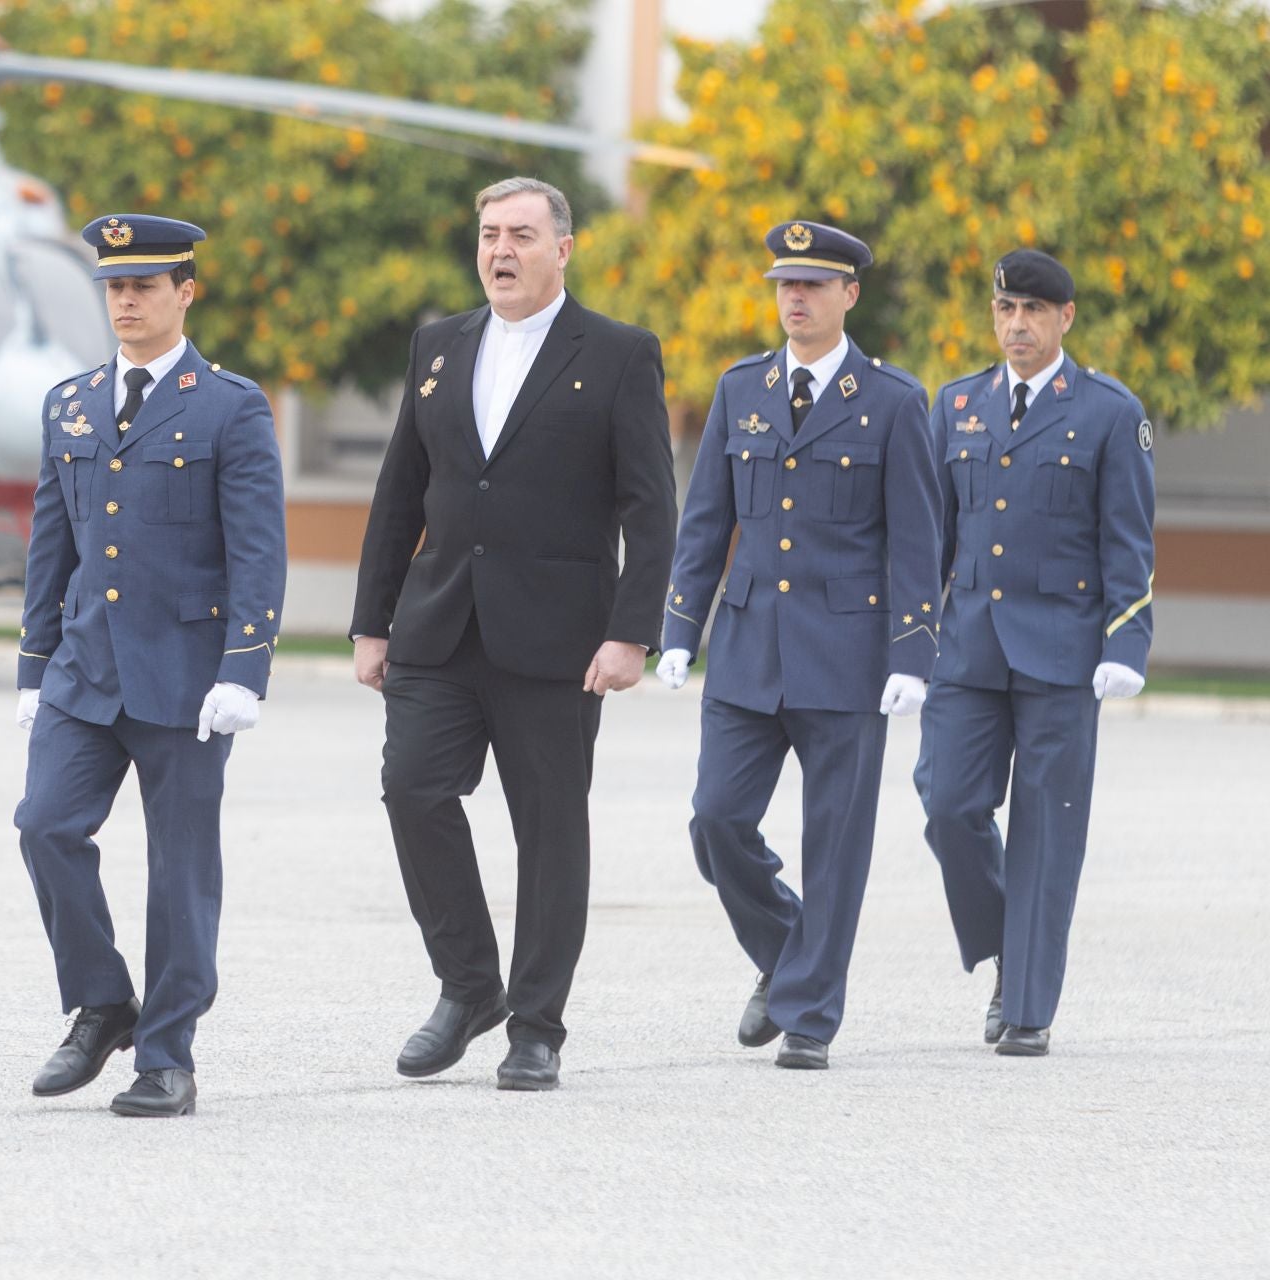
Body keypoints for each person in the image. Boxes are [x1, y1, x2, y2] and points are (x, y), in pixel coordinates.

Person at [351, 176, 675, 1092]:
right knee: (411, 789)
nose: (501, 250)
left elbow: (651, 509)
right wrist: (371, 622)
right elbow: (398, 493)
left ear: (562, 249)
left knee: (549, 833)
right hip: (439, 625)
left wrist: (631, 634)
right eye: (490, 233)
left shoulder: (618, 354)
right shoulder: (440, 345)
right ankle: (468, 986)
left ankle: (536, 1025)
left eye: (522, 235)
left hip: (559, 640)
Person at [13, 213, 286, 1119]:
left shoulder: (230, 405)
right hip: (85, 671)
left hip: (186, 675)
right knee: (45, 826)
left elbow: (257, 550)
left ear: (185, 293)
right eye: (114, 285)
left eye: (145, 285)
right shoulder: (71, 402)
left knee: (180, 871)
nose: (125, 299)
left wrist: (244, 668)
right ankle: (100, 1003)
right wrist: (31, 664)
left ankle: (167, 1054)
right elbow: (52, 543)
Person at [656, 221, 941, 1070]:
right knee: (716, 820)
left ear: (849, 295)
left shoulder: (893, 401)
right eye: (785, 283)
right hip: (748, 648)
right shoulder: (742, 388)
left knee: (837, 842)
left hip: (848, 656)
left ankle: (811, 1012)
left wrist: (913, 655)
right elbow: (707, 520)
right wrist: (679, 627)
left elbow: (917, 542)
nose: (795, 297)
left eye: (814, 284)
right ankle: (787, 955)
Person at [913, 249, 1155, 1057]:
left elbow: (1129, 542)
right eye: (1005, 310)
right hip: (969, 651)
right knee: (948, 805)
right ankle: (1004, 950)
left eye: (1033, 311)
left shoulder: (1111, 414)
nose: (1016, 325)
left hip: (1062, 655)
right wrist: (908, 646)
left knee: (1047, 834)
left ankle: (1026, 1006)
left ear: (1065, 318)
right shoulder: (957, 406)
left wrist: (1129, 640)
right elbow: (931, 542)